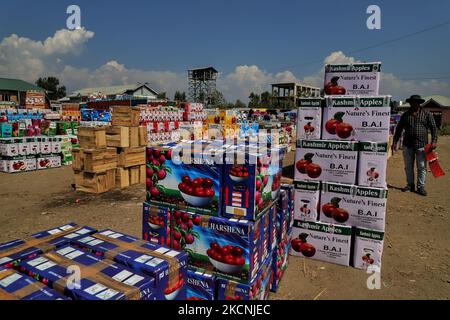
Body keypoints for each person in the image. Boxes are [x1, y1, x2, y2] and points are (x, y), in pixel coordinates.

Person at [392, 95, 438, 196]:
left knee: (422, 167)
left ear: (419, 103)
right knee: (408, 167)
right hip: (407, 145)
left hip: (422, 145)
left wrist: (434, 141)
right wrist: (395, 142)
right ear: (410, 103)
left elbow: (434, 128)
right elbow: (399, 129)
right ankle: (410, 185)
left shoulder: (427, 114)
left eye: (416, 102)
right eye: (412, 102)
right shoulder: (405, 115)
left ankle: (421, 187)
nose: (414, 104)